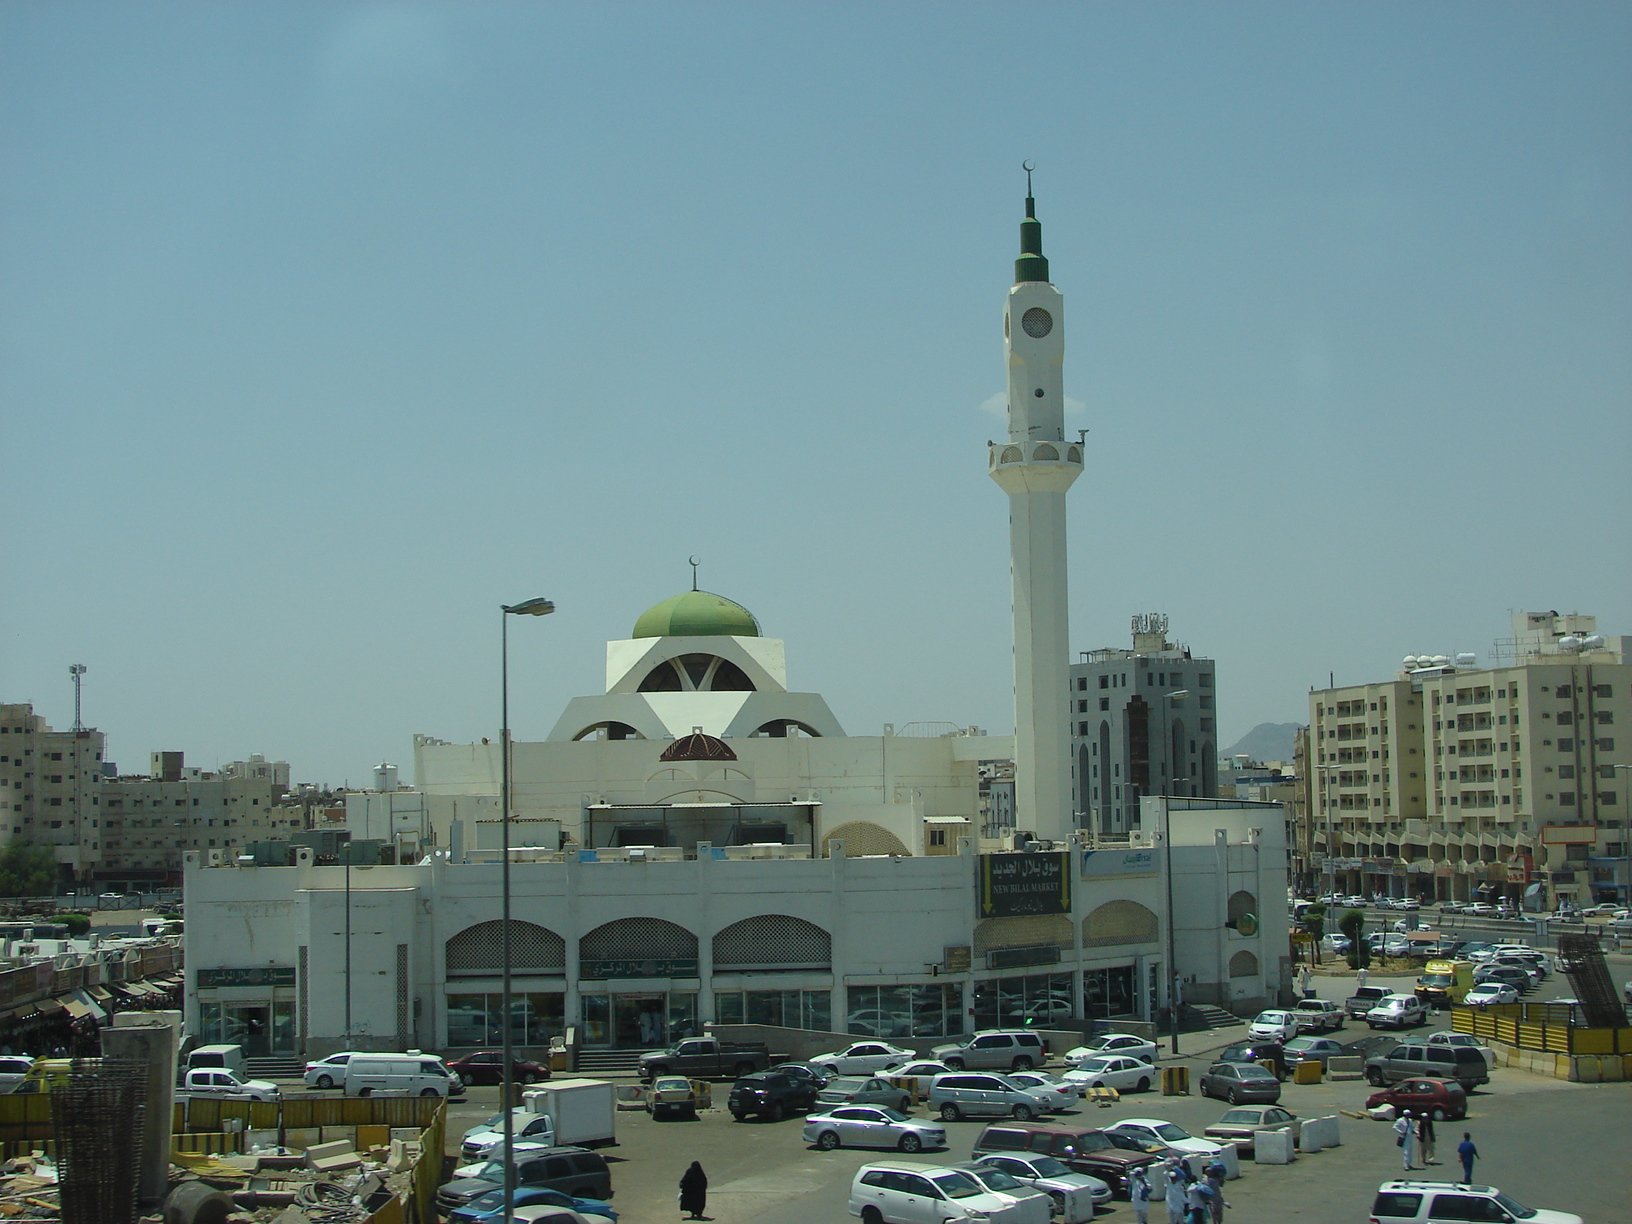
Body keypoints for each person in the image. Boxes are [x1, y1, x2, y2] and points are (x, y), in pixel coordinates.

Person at [1164, 1159, 1188, 1224]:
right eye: (1172, 1178)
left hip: (1178, 1207)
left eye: (1174, 1178)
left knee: (1180, 1220)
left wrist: (1187, 1201)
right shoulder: (1169, 1184)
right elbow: (1166, 1174)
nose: (1173, 1179)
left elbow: (1182, 1195)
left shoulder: (1179, 1184)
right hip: (1171, 1206)